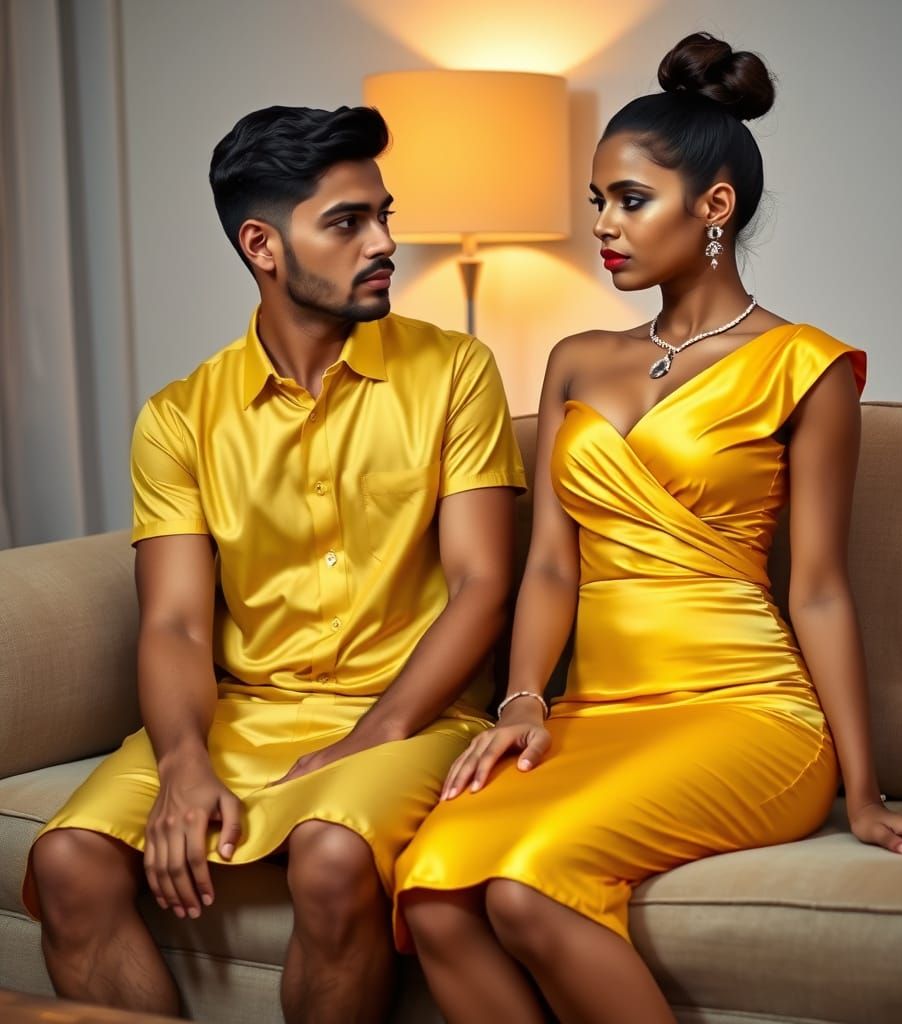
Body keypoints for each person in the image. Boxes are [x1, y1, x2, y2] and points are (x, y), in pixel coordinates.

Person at [393, 32, 902, 1024]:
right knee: (433, 886)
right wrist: (524, 699)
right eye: (597, 203)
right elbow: (548, 568)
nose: (604, 228)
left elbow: (821, 588)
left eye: (630, 200)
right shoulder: (577, 357)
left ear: (714, 207)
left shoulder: (808, 365)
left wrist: (867, 788)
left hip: (747, 715)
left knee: (525, 884)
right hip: (597, 715)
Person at [22, 104, 525, 1024]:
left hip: (411, 718)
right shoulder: (180, 415)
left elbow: (483, 588)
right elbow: (174, 622)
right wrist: (181, 761)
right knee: (65, 862)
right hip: (243, 713)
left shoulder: (458, 372)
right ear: (261, 243)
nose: (383, 243)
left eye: (384, 214)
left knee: (333, 857)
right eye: (347, 222)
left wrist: (366, 740)